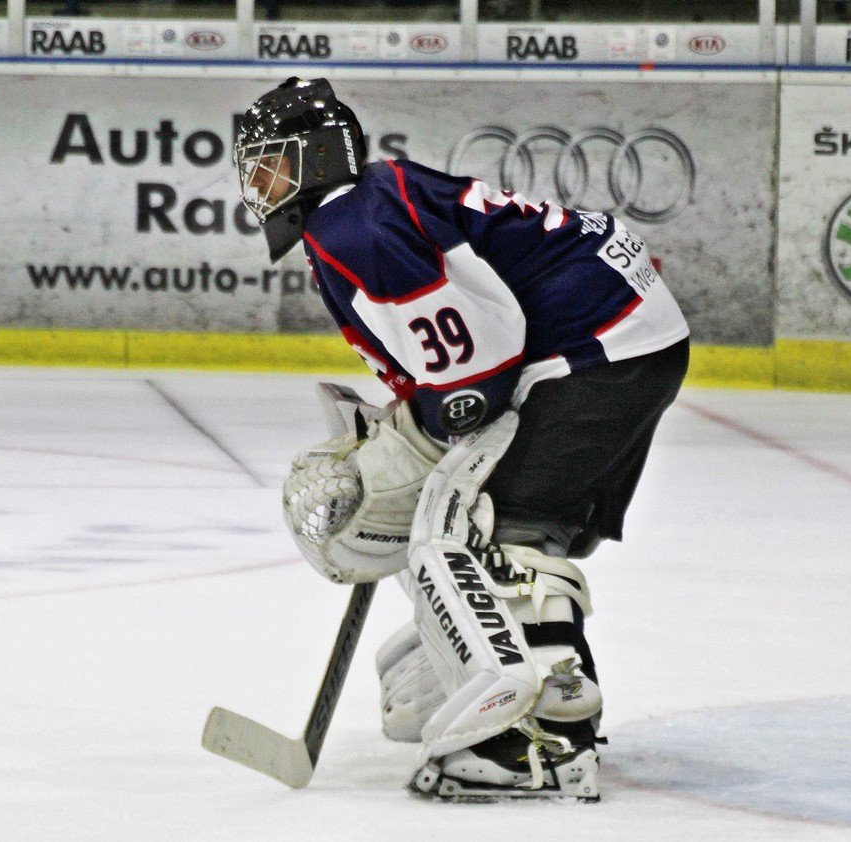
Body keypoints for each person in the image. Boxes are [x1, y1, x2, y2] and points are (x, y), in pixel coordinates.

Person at [234, 77, 690, 800]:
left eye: (272, 166)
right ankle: (553, 693)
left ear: (319, 156)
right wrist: (423, 414)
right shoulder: (360, 206)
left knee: (490, 529)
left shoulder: (353, 228)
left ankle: (537, 746)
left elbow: (479, 365)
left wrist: (422, 435)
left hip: (599, 348)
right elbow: (452, 355)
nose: (259, 186)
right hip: (609, 337)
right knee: (490, 517)